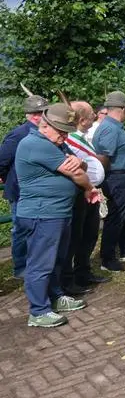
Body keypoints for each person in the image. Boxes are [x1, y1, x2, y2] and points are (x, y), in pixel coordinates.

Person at [16, 103, 102, 328]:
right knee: (41, 263)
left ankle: (55, 297)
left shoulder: (56, 143)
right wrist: (89, 187)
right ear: (46, 126)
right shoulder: (36, 143)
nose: (64, 137)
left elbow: (80, 163)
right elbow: (77, 173)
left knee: (57, 259)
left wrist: (79, 162)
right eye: (61, 131)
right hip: (42, 214)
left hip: (58, 213)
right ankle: (38, 310)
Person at [0, 89, 49, 279]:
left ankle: (35, 264)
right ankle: (20, 267)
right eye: (41, 112)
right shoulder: (18, 134)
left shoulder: (44, 132)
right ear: (35, 116)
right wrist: (6, 177)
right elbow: (2, 160)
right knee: (21, 230)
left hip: (36, 191)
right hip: (20, 191)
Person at [93, 91, 125, 272]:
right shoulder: (109, 128)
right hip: (117, 177)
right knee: (116, 217)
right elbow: (103, 157)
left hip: (124, 176)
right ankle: (108, 258)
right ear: (122, 109)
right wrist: (101, 179)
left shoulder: (115, 127)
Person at [61, 101, 107, 295]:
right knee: (75, 238)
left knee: (89, 235)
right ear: (82, 120)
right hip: (78, 193)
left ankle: (84, 271)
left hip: (91, 191)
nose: (95, 117)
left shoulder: (82, 137)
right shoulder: (69, 139)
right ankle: (69, 280)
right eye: (91, 115)